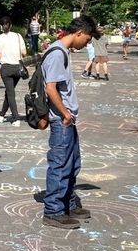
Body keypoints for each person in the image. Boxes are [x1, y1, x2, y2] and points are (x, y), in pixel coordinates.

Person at [35, 14, 97, 228]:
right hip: (61, 120)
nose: (86, 43)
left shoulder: (62, 52)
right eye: (87, 39)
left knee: (72, 164)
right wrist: (65, 114)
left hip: (66, 119)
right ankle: (53, 210)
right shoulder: (56, 53)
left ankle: (69, 204)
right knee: (60, 165)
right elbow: (50, 88)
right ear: (79, 33)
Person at [0, 16, 27, 125]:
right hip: (17, 68)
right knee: (9, 92)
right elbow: (24, 53)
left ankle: (16, 118)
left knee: (10, 93)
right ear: (11, 25)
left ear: (1, 26)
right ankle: (2, 114)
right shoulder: (18, 36)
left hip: (6, 68)